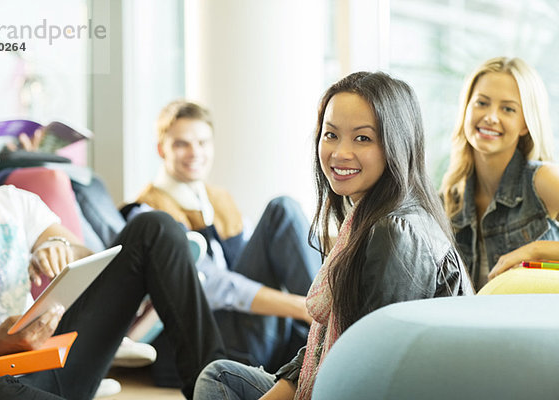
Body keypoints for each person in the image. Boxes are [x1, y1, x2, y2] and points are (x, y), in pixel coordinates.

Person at [193, 71, 473, 400]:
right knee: (220, 377)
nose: (340, 153)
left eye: (362, 138)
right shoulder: (366, 218)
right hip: (343, 375)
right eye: (330, 135)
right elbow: (326, 344)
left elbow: (372, 370)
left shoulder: (396, 232)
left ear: (397, 144)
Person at [0, 67, 224, 399]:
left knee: (154, 227)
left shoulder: (16, 202)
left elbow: (89, 260)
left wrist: (55, 247)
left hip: (49, 363)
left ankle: (213, 388)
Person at [134, 100, 322, 381]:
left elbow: (251, 265)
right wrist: (302, 308)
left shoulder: (218, 200)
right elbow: (215, 286)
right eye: (181, 144)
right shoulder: (148, 213)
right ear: (162, 149)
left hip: (251, 330)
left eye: (202, 142)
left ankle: (325, 322)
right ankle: (327, 322)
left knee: (284, 209)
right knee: (279, 210)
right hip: (213, 338)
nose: (195, 152)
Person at [439, 56, 559, 290]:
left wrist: (535, 251)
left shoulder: (543, 181)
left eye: (508, 109)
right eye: (482, 103)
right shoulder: (448, 201)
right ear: (466, 109)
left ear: (525, 124)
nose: (491, 117)